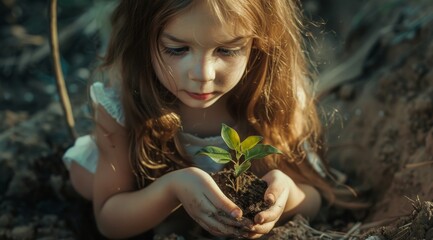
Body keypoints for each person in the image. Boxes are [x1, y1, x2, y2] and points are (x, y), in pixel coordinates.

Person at [62, 0, 351, 238]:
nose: (203, 74)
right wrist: (173, 188)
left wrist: (285, 193)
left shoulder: (276, 103)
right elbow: (109, 220)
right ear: (144, 39)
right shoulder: (123, 103)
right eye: (177, 49)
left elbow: (316, 199)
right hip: (144, 192)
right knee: (86, 177)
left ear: (260, 43)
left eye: (226, 49)